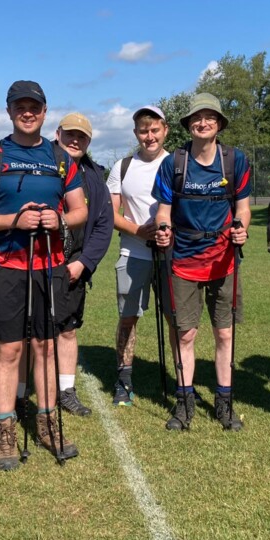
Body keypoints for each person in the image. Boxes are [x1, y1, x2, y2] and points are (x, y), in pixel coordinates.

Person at [0, 81, 88, 470]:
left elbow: (81, 210)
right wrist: (12, 221)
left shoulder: (61, 157)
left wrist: (59, 219)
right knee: (8, 350)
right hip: (7, 268)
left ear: (45, 111)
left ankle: (48, 422)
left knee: (46, 348)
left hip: (49, 269)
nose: (27, 112)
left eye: (34, 106)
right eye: (20, 106)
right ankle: (5, 431)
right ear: (9, 111)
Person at [153, 93, 251, 432]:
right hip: (183, 259)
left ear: (219, 124)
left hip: (224, 260)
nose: (203, 122)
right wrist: (163, 229)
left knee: (224, 333)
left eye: (210, 117)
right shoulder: (173, 164)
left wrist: (242, 229)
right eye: (197, 117)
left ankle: (224, 402)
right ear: (189, 124)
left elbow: (243, 207)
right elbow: (163, 210)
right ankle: (185, 403)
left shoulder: (235, 160)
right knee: (186, 334)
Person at [107, 105, 171, 406]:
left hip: (172, 255)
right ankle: (124, 378)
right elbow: (111, 214)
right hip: (132, 253)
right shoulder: (122, 166)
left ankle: (181, 381)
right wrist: (137, 231)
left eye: (155, 129)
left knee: (177, 320)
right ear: (136, 133)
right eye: (144, 130)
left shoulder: (179, 163)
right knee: (128, 318)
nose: (149, 136)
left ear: (165, 130)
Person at [49, 112, 113, 416]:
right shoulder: (39, 162)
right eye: (70, 134)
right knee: (29, 334)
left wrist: (84, 263)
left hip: (72, 263)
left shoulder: (94, 175)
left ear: (88, 141)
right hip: (35, 261)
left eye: (82, 136)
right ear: (58, 133)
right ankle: (23, 393)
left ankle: (66, 391)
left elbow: (103, 225)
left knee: (67, 329)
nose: (75, 140)